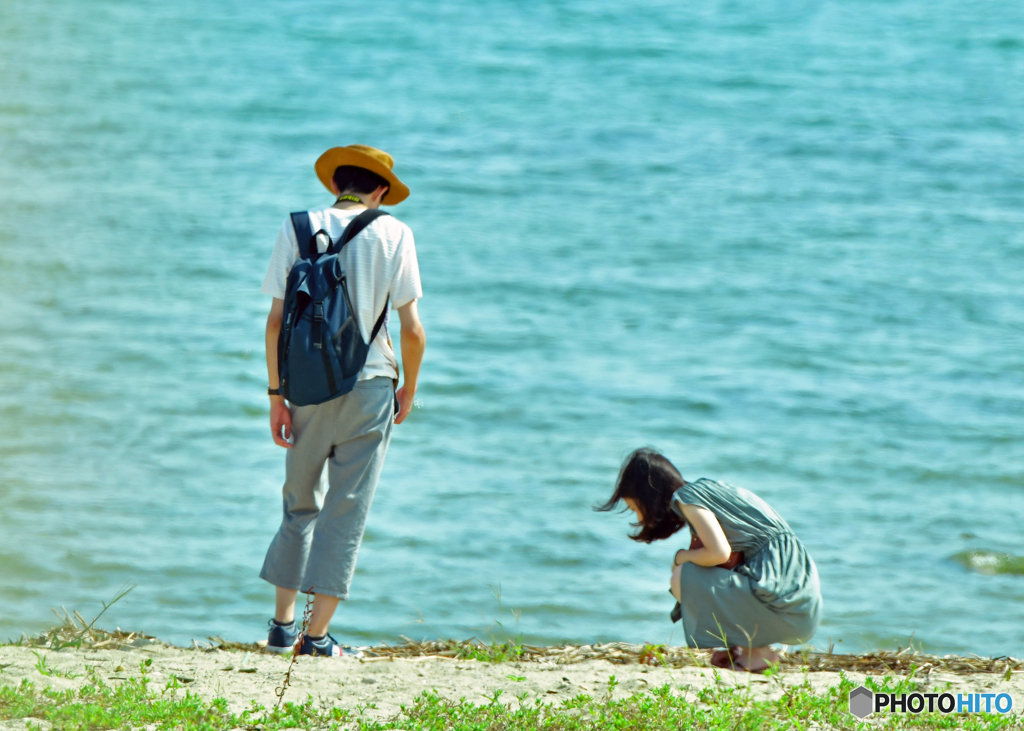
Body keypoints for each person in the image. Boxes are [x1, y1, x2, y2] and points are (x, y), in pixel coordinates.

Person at [258, 144, 426, 657]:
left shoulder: (298, 226)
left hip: (305, 387)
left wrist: (276, 395)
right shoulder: (395, 233)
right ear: (378, 191)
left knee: (298, 503)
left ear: (336, 185)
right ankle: (316, 637)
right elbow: (413, 330)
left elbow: (274, 321)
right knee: (345, 509)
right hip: (371, 385)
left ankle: (282, 626)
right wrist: (408, 389)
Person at [598, 448, 822, 672]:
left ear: (648, 495)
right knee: (695, 571)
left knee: (682, 576)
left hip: (787, 607)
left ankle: (760, 653)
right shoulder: (706, 491)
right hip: (801, 604)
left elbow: (720, 553)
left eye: (635, 508)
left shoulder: (687, 498)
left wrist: (680, 557)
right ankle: (740, 648)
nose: (638, 518)